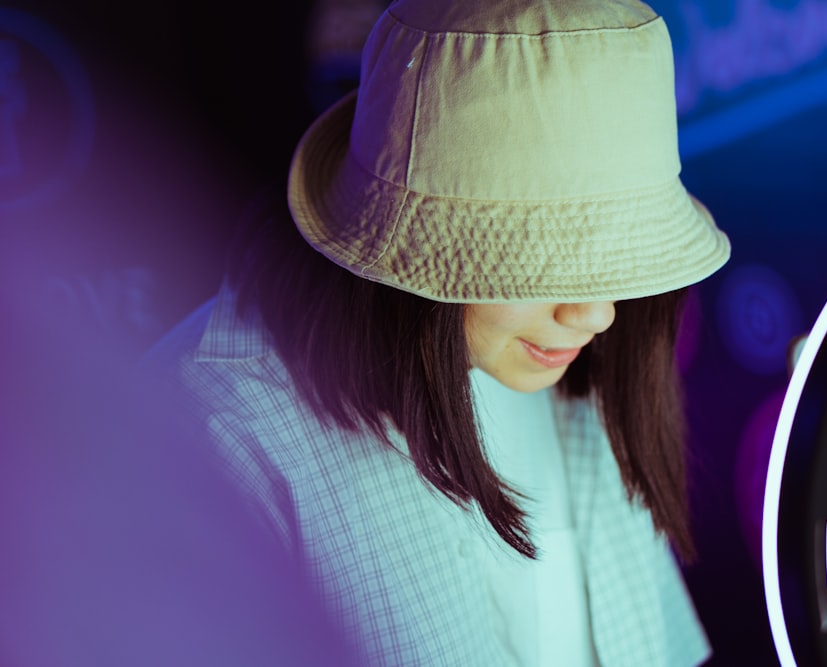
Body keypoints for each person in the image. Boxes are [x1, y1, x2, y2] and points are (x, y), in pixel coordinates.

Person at [160, 0, 731, 664]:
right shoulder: (212, 443)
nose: (597, 314)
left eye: (620, 256)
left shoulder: (567, 361)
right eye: (547, 261)